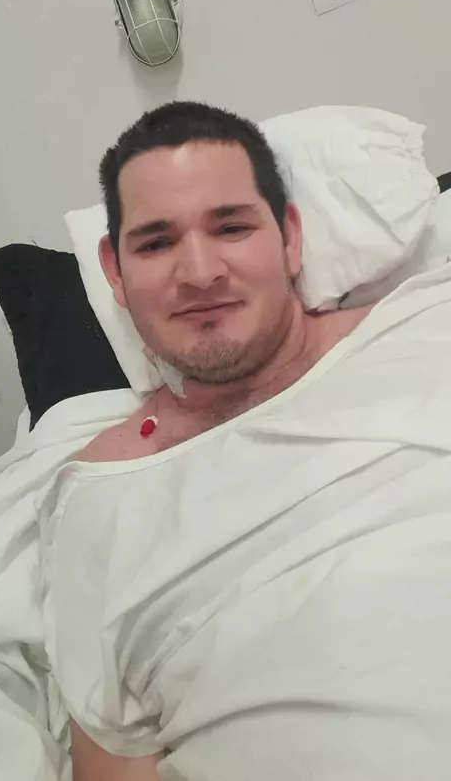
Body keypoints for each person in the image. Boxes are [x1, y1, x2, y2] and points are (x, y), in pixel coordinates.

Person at [52, 102, 451, 781]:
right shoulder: (94, 496)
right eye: (156, 243)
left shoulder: (428, 323)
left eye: (231, 227)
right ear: (114, 270)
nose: (200, 271)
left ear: (290, 237)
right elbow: (114, 758)